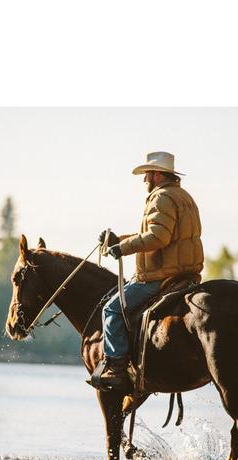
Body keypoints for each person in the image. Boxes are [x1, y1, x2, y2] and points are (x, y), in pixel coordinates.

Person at [98, 151, 204, 389]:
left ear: (157, 175)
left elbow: (158, 237)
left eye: (146, 174)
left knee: (112, 310)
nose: (144, 180)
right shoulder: (183, 196)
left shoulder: (161, 198)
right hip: (185, 274)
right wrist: (118, 241)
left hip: (160, 276)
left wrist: (122, 249)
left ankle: (115, 368)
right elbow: (157, 235)